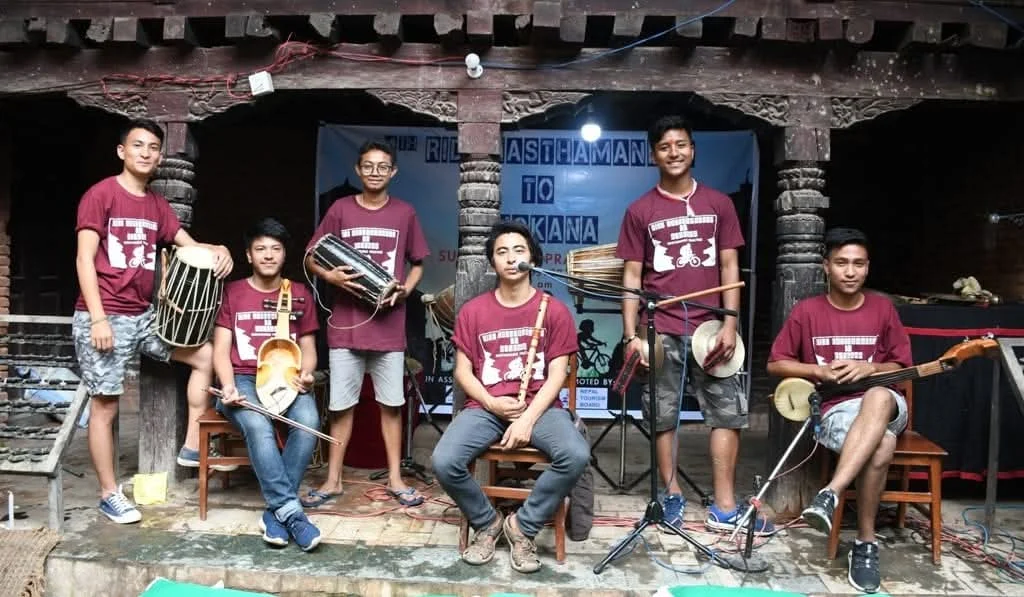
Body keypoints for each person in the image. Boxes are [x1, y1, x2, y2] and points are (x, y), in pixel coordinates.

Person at [73, 118, 234, 524]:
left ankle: (192, 444)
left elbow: (190, 246)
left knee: (204, 356)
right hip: (105, 313)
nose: (146, 153)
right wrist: (98, 319)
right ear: (121, 151)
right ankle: (109, 493)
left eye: (153, 148)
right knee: (105, 406)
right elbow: (84, 259)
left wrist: (220, 249)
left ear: (160, 157)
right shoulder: (101, 194)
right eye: (138, 145)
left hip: (144, 315)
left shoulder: (156, 205)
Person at [616, 114, 772, 534]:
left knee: (727, 414)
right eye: (664, 146)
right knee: (662, 415)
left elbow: (729, 267)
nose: (674, 152)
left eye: (681, 144)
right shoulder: (640, 210)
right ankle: (671, 496)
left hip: (710, 329)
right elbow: (631, 277)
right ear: (654, 155)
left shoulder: (718, 204)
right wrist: (631, 336)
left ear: (693, 149)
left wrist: (729, 324)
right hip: (659, 328)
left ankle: (725, 507)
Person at [431, 221, 590, 573]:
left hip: (540, 408)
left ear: (532, 257)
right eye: (501, 252)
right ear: (492, 262)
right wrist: (491, 403)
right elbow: (462, 372)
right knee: (444, 461)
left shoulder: (554, 310)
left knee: (575, 455)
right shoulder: (473, 311)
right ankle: (487, 522)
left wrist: (527, 420)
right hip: (487, 406)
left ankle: (522, 526)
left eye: (519, 250)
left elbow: (557, 375)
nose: (510, 257)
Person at [767, 227, 912, 594]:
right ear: (826, 267)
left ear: (868, 267)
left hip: (887, 404)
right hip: (835, 410)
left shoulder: (882, 308)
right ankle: (865, 543)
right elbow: (776, 364)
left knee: (878, 395)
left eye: (858, 264)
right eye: (842, 263)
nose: (850, 272)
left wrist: (870, 368)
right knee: (882, 445)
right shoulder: (807, 312)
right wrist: (817, 371)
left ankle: (831, 492)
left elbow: (903, 366)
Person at [303, 140, 430, 508]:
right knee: (342, 405)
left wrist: (405, 290)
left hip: (389, 329)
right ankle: (333, 480)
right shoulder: (340, 209)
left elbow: (419, 262)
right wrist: (331, 277)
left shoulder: (405, 213)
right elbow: (311, 256)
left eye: (383, 166)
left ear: (393, 172)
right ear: (358, 170)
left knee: (391, 405)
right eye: (368, 166)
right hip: (346, 326)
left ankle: (395, 478)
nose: (375, 172)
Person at [211, 217, 323, 551]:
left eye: (275, 248)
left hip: (286, 377)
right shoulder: (232, 292)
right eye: (260, 249)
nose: (269, 255)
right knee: (258, 425)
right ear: (249, 255)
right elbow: (220, 350)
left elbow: (309, 350)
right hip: (243, 379)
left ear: (284, 254)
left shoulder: (299, 293)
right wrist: (228, 386)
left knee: (309, 422)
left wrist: (306, 374)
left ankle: (276, 513)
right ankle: (291, 512)